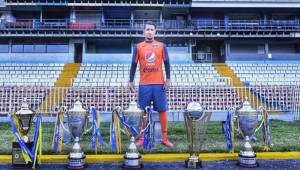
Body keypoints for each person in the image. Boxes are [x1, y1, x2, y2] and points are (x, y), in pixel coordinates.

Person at [128, 21, 173, 148]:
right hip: (144, 85)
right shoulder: (138, 47)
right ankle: (142, 138)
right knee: (142, 112)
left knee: (162, 110)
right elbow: (133, 65)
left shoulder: (161, 46)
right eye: (147, 29)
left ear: (155, 31)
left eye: (152, 29)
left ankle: (165, 138)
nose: (149, 31)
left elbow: (167, 63)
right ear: (144, 31)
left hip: (159, 84)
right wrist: (130, 80)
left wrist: (168, 79)